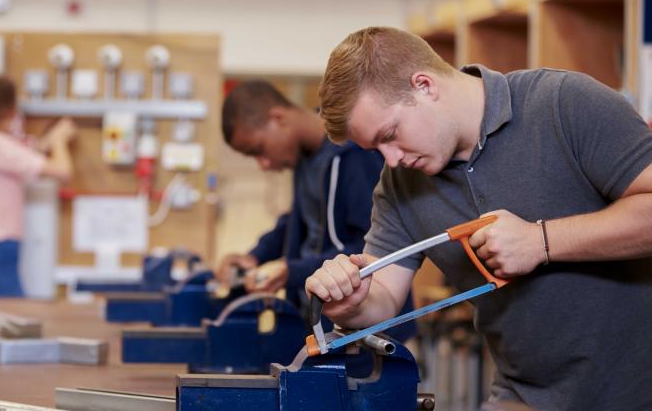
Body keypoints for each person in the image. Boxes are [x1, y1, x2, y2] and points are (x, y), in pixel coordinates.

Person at [305, 26, 652, 410]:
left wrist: (541, 241)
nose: (391, 159)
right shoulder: (399, 183)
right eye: (376, 148)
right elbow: (383, 296)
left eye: (390, 134)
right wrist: (351, 302)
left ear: (424, 85)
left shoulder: (563, 103)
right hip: (526, 396)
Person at [219, 80, 416, 342]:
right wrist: (255, 257)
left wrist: (292, 271)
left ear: (278, 118)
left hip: (367, 334)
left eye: (259, 150)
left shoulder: (355, 154)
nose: (264, 164)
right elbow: (296, 222)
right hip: (322, 324)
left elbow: (373, 248)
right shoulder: (307, 158)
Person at [0, 74, 76, 297]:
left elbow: (31, 153)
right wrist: (60, 141)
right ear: (5, 108)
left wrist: (48, 141)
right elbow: (63, 171)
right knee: (18, 327)